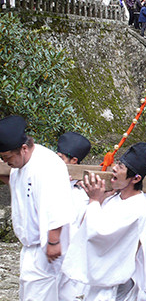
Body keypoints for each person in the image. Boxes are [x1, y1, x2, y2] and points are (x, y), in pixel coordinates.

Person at [61, 142, 146, 301]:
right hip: (99, 282)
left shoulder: (137, 208)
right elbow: (85, 225)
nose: (114, 168)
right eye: (117, 163)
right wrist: (100, 200)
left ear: (136, 178)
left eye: (121, 167)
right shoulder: (114, 197)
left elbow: (99, 233)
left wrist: (94, 200)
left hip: (112, 283)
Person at [0, 115, 73, 301]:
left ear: (23, 149)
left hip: (46, 246)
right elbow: (19, 185)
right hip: (30, 248)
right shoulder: (21, 165)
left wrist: (54, 241)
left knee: (39, 295)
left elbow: (56, 203)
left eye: (7, 158)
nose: (6, 163)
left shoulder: (47, 165)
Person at [56, 131, 92, 301]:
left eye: (61, 158)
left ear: (74, 161)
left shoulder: (83, 193)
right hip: (51, 249)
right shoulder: (52, 183)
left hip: (72, 253)